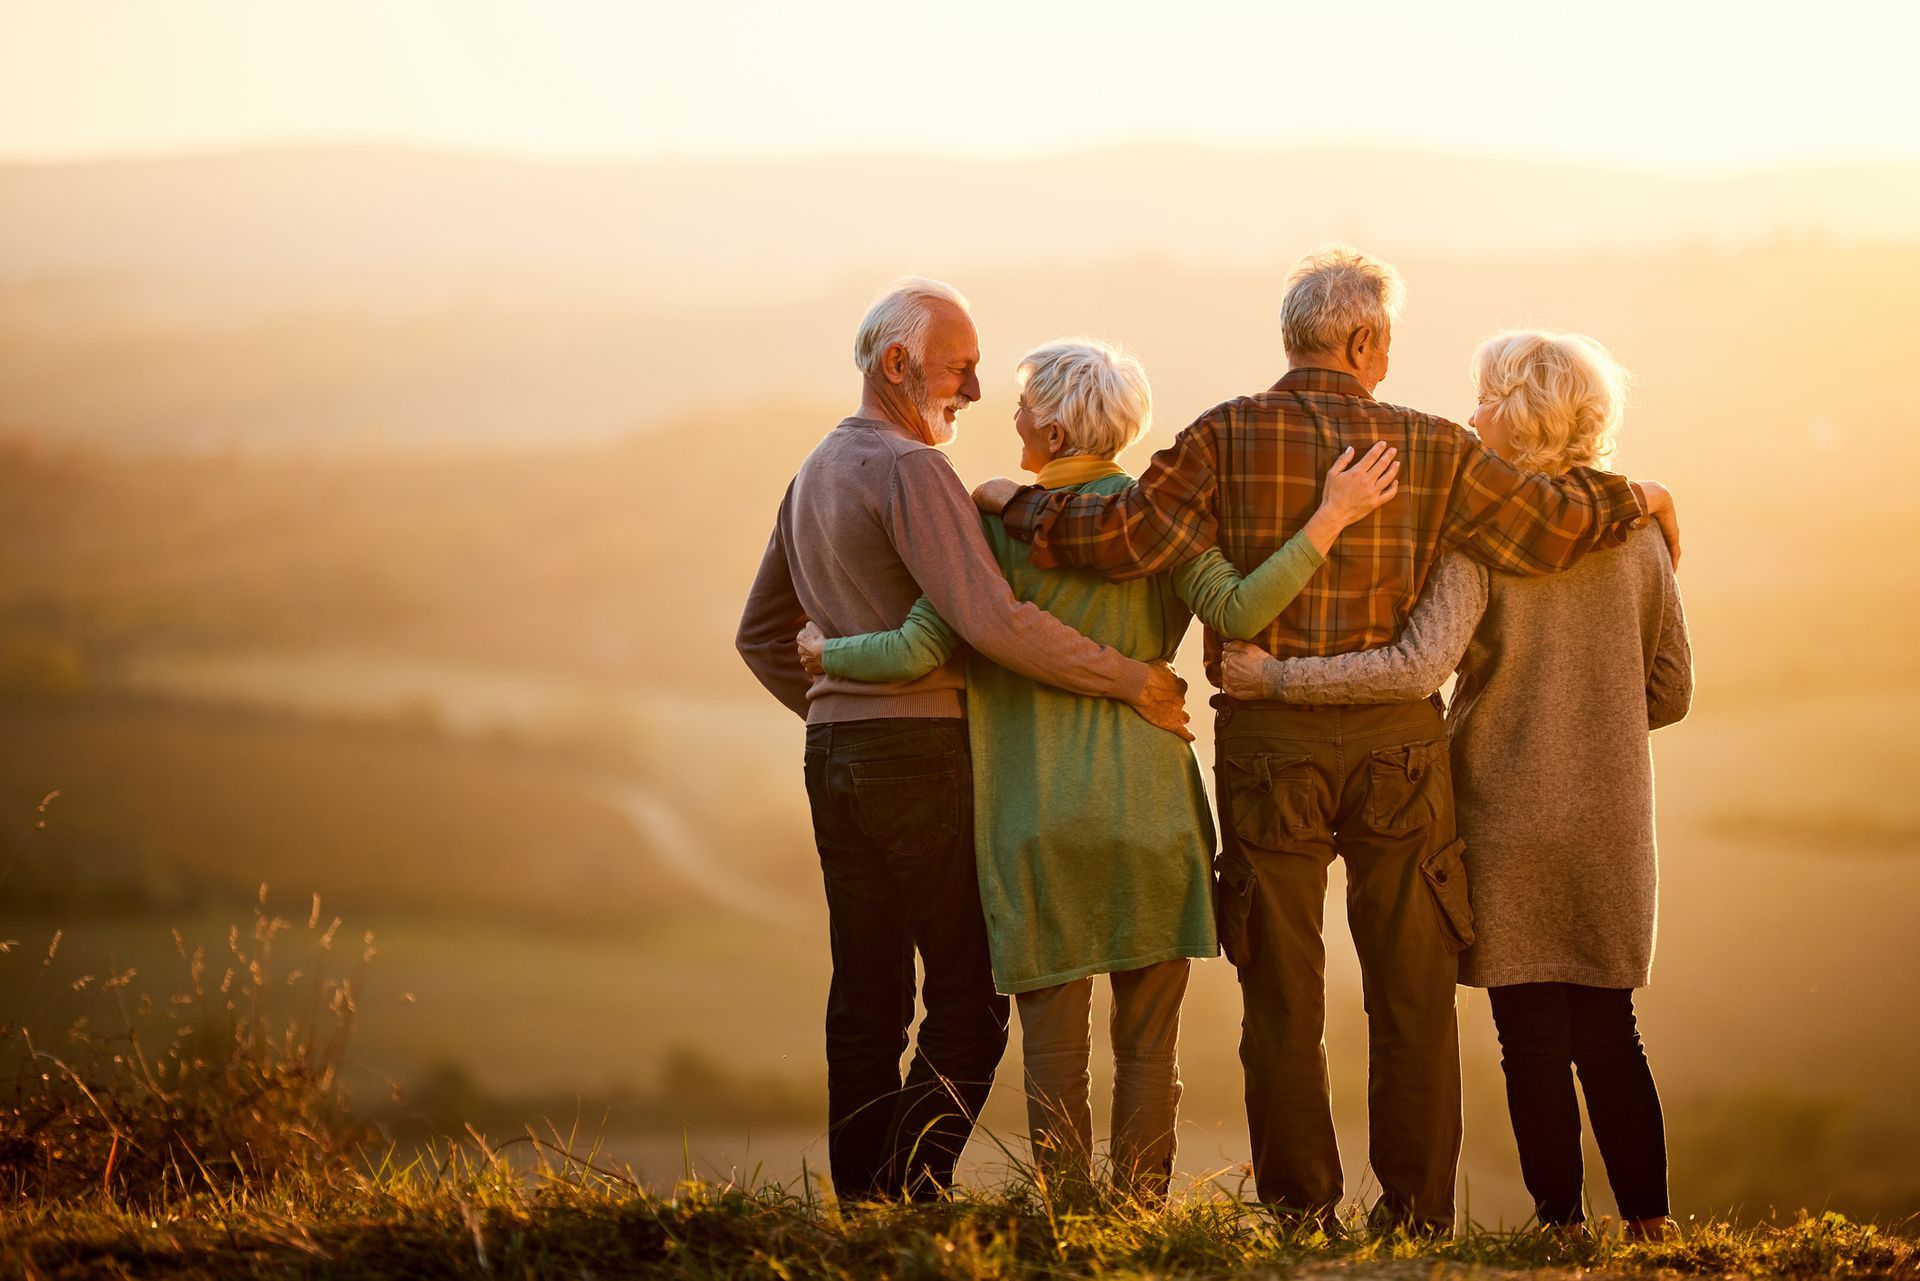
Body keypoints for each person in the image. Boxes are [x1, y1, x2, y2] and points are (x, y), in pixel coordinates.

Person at [970, 246, 1681, 1230]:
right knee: (1413, 997)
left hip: (1270, 745)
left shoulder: (1221, 436)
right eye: (1384, 340)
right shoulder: (1432, 447)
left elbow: (1120, 538)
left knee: (1283, 998)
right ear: (1365, 342)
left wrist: (1021, 501)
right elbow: (1547, 524)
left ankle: (1303, 1209)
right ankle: (1418, 1213)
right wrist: (1636, 498)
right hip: (1400, 749)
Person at [796, 338, 1398, 1202]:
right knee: (1150, 1047)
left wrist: (828, 652)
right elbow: (1240, 606)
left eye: (1019, 402)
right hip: (1152, 809)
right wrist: (1329, 519)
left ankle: (1071, 1216)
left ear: (1047, 421)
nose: (1008, 415)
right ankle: (1141, 1212)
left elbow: (916, 649)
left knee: (1054, 1052)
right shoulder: (1161, 521)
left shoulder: (993, 531)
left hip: (1034, 820)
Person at [1220, 330, 1693, 1239]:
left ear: (1517, 416)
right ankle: (1652, 1224)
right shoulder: (1640, 539)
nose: (1469, 412)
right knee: (1611, 1035)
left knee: (1531, 1044)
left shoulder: (1481, 539)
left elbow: (1415, 666)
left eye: (1482, 397)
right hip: (1611, 826)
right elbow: (1670, 691)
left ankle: (1562, 1229)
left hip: (1503, 819)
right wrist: (1593, 719)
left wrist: (1277, 680)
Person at [734, 279, 1190, 1203]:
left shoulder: (814, 471)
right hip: (926, 761)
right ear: (897, 365)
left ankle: (865, 1203)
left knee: (865, 995)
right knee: (972, 1002)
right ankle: (910, 1189)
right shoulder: (912, 470)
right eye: (962, 369)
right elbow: (995, 621)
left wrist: (835, 713)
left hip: (835, 763)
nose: (976, 392)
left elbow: (758, 635)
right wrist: (1132, 676)